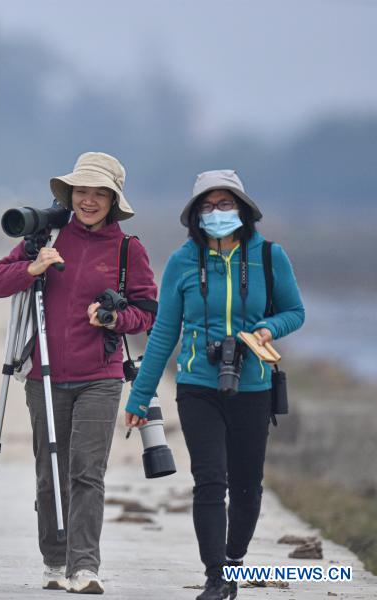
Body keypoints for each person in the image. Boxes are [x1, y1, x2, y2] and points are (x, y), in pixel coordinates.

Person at [123, 170, 305, 600]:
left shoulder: (268, 256)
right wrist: (140, 395)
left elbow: (295, 312)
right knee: (209, 481)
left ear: (243, 210)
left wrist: (267, 328)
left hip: (254, 386)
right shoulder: (183, 262)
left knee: (247, 485)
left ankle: (235, 559)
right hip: (197, 385)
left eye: (225, 204)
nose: (217, 213)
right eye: (207, 206)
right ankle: (215, 576)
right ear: (194, 216)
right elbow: (164, 333)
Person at [0, 152, 157, 594]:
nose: (90, 200)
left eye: (100, 193)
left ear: (114, 200)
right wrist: (32, 267)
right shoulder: (46, 237)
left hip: (102, 374)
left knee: (87, 472)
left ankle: (84, 566)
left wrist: (115, 321)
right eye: (82, 191)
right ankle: (53, 560)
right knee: (50, 474)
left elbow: (148, 313)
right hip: (44, 374)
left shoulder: (127, 249)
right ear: (71, 195)